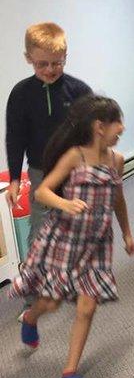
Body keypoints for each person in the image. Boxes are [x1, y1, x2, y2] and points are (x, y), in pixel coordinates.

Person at [8, 95, 134, 378]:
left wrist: (127, 233)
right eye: (119, 122)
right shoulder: (74, 156)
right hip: (65, 238)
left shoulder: (117, 160)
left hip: (97, 243)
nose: (123, 128)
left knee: (87, 306)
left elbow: (118, 200)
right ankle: (31, 318)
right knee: (52, 303)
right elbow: (43, 191)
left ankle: (70, 370)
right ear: (99, 127)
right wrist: (65, 204)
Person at [5, 22, 92, 319]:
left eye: (57, 63)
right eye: (42, 64)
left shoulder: (79, 90)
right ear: (28, 58)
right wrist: (15, 178)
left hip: (77, 173)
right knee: (39, 235)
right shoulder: (20, 94)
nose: (50, 70)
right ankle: (31, 298)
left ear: (66, 56)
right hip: (42, 175)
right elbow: (14, 137)